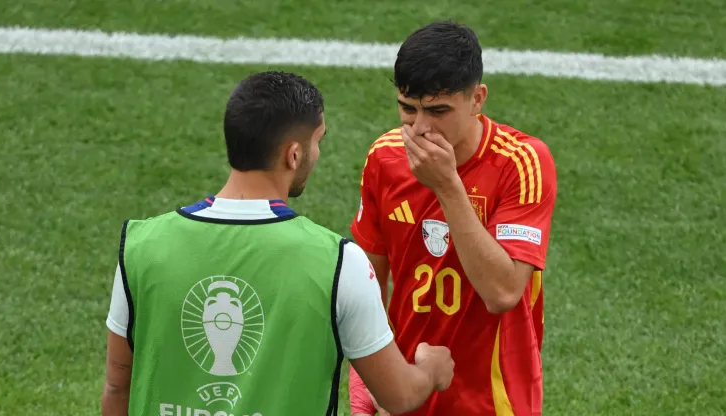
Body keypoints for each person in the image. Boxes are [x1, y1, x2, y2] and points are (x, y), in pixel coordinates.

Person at [100, 71, 455, 416]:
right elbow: (399, 395)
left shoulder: (141, 246)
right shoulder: (338, 262)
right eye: (318, 141)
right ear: (294, 154)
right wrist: (430, 370)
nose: (317, 154)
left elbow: (118, 387)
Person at [349, 21, 558, 416]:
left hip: (494, 403)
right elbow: (367, 285)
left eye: (438, 111)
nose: (421, 128)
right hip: (405, 394)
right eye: (407, 109)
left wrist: (446, 187)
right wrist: (366, 380)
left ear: (477, 99)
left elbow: (502, 293)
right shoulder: (384, 158)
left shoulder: (522, 163)